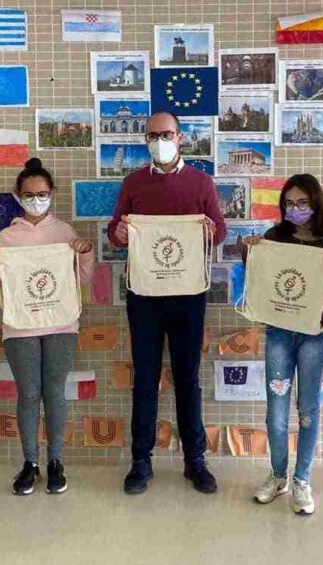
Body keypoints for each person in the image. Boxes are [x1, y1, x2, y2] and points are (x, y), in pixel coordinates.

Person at [108, 111, 227, 495]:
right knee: (145, 378)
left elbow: (220, 231)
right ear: (146, 139)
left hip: (188, 295)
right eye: (154, 135)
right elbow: (114, 233)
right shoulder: (133, 182)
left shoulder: (201, 181)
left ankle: (196, 461)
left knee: (188, 378)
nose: (161, 140)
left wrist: (210, 230)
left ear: (181, 137)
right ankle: (141, 461)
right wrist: (122, 232)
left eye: (167, 133)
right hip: (144, 296)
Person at [0, 158, 94, 496]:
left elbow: (82, 278)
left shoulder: (65, 232)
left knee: (54, 392)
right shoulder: (7, 236)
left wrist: (84, 253)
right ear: (18, 195)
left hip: (61, 323)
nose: (36, 200)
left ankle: (56, 461)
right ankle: (30, 463)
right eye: (29, 194)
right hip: (19, 326)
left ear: (51, 193)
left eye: (42, 194)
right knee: (29, 394)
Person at [243, 174, 323, 516]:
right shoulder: (274, 237)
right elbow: (259, 281)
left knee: (307, 409)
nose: (296, 208)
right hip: (278, 332)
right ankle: (277, 475)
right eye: (289, 203)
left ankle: (302, 479)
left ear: (316, 203)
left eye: (303, 202)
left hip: (315, 335)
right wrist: (248, 253)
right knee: (276, 410)